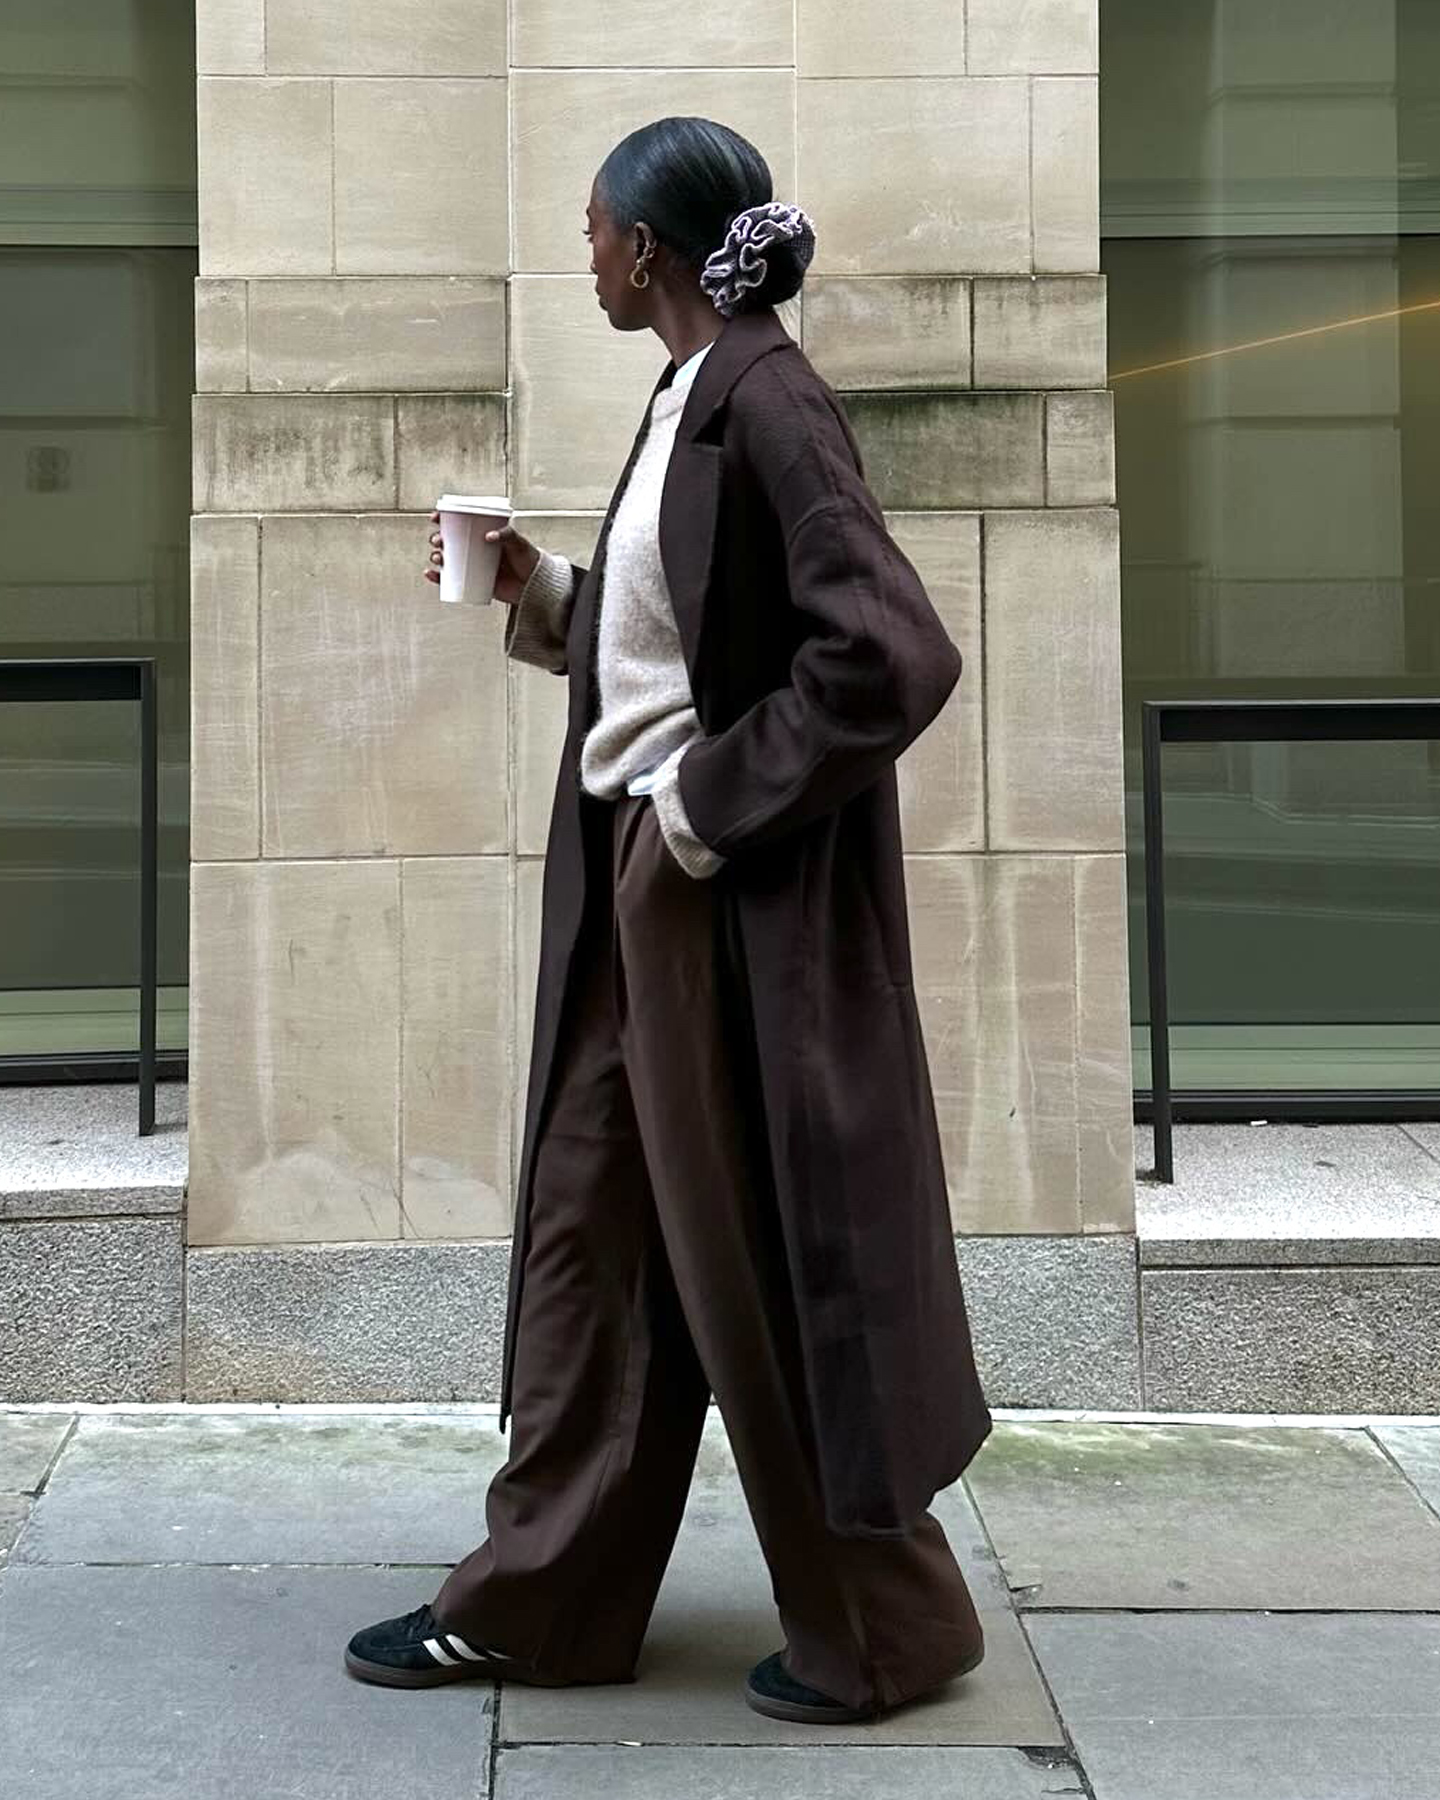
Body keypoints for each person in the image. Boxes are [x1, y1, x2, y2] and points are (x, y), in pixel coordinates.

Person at [345, 115, 992, 1726]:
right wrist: (542, 595)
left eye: (589, 231)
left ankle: (887, 1630)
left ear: (647, 246)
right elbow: (682, 647)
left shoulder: (770, 401)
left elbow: (890, 658)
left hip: (711, 912)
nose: (581, 256)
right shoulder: (689, 392)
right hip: (647, 904)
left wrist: (701, 812)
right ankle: (544, 1600)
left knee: (762, 1262)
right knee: (592, 1242)